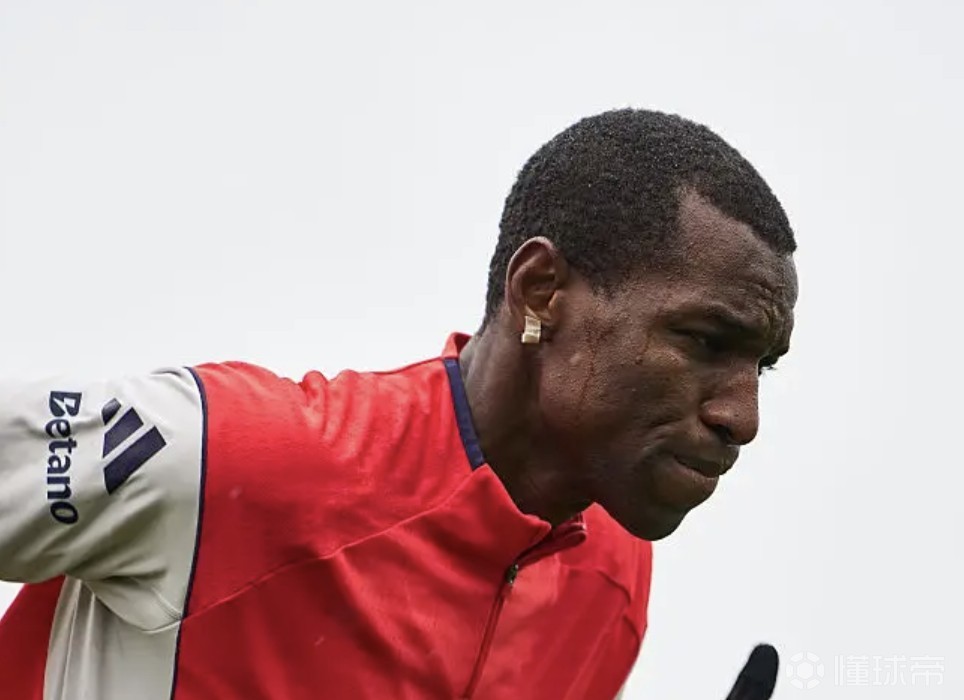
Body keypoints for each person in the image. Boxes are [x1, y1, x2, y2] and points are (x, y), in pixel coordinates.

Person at [0, 108, 797, 699]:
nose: (743, 417)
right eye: (705, 340)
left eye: (762, 365)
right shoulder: (226, 454)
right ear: (541, 292)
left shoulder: (613, 578)